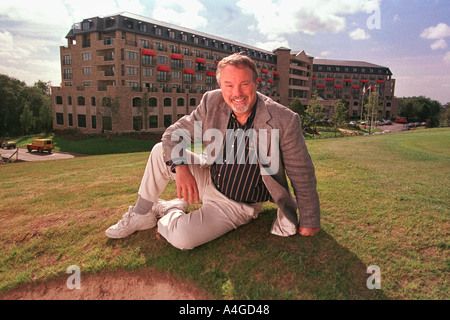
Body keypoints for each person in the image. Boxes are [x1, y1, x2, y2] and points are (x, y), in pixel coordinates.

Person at [106, 52, 321, 250]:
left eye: (244, 84)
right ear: (220, 85)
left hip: (235, 205)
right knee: (160, 150)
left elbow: (302, 173)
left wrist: (310, 220)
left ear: (256, 83)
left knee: (183, 238)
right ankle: (141, 214)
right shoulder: (212, 101)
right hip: (209, 177)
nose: (236, 93)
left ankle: (172, 210)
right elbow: (172, 134)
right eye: (228, 85)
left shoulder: (284, 119)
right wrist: (180, 168)